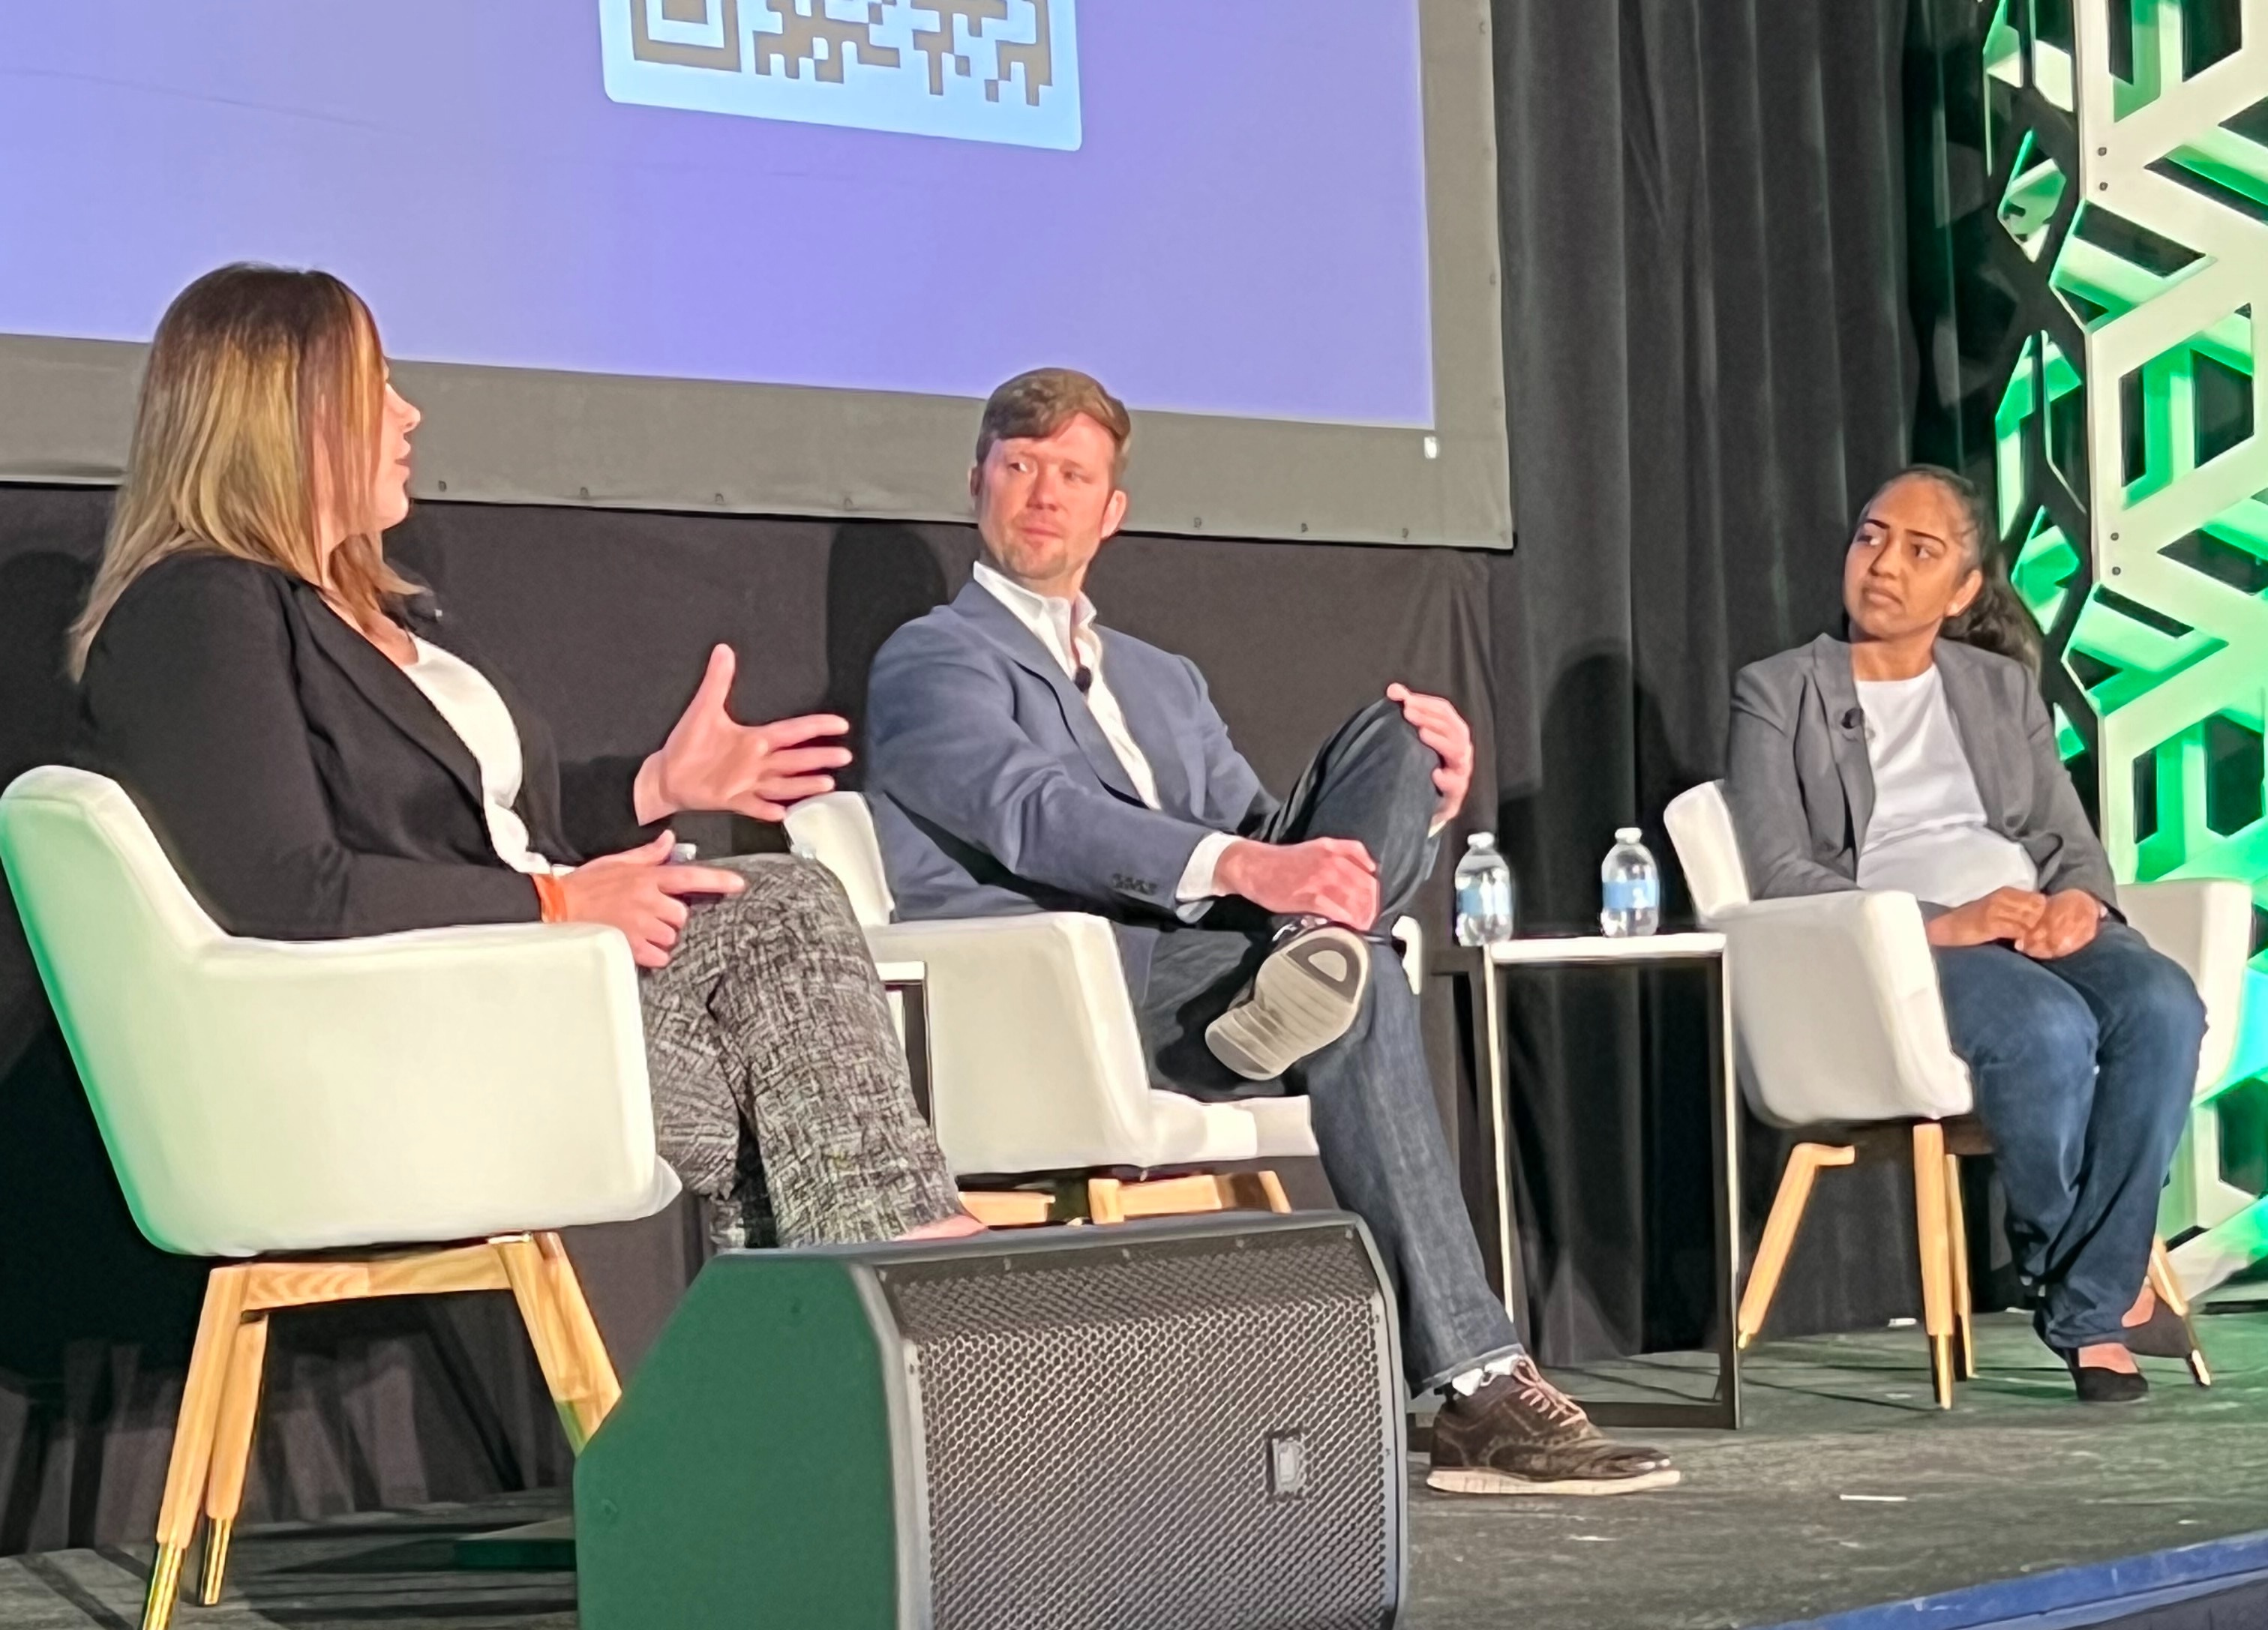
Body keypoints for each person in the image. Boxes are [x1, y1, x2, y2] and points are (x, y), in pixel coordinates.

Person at [864, 367, 1677, 1494]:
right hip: (1067, 990)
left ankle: (1313, 965)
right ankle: (1475, 1385)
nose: (1042, 493)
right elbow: (1033, 813)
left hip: (1213, 977)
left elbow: (1262, 823)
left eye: (1072, 474)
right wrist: (1253, 868)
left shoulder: (1161, 678)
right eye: (1020, 466)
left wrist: (1427, 809)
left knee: (1395, 742)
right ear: (977, 486)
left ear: (1113, 512)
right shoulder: (931, 658)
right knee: (1360, 986)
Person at [72, 264, 979, 1251]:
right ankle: (901, 1269)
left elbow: (483, 820)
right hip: (406, 1034)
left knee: (770, 1043)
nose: (408, 414)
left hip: (518, 986)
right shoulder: (199, 609)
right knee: (779, 925)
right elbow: (286, 886)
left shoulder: (372, 609)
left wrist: (656, 787)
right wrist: (553, 906)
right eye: (375, 387)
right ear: (281, 415)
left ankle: (864, 1288)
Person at [1724, 464, 2206, 1403]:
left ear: (1964, 590)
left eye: (1920, 549)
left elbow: (2068, 838)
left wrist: (2082, 901)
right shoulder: (1780, 691)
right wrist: (1943, 923)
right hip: (1900, 947)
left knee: (2163, 1005)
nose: (1885, 563)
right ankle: (2094, 1305)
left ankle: (2082, 1287)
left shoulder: (1999, 687)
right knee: (2045, 1031)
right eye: (1871, 536)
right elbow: (1780, 869)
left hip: (2027, 918)